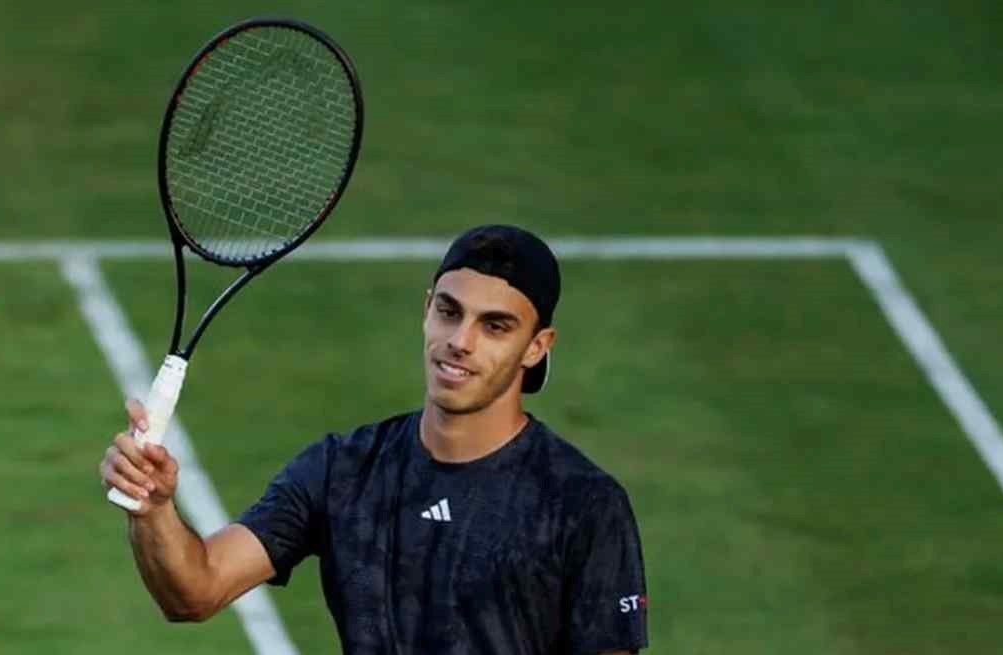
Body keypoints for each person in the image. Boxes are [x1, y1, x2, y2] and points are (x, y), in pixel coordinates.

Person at [99, 224, 649, 654]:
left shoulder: (582, 505)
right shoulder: (343, 469)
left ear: (537, 346)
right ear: (426, 308)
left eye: (495, 326)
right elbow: (195, 591)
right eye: (449, 312)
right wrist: (153, 511)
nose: (460, 341)